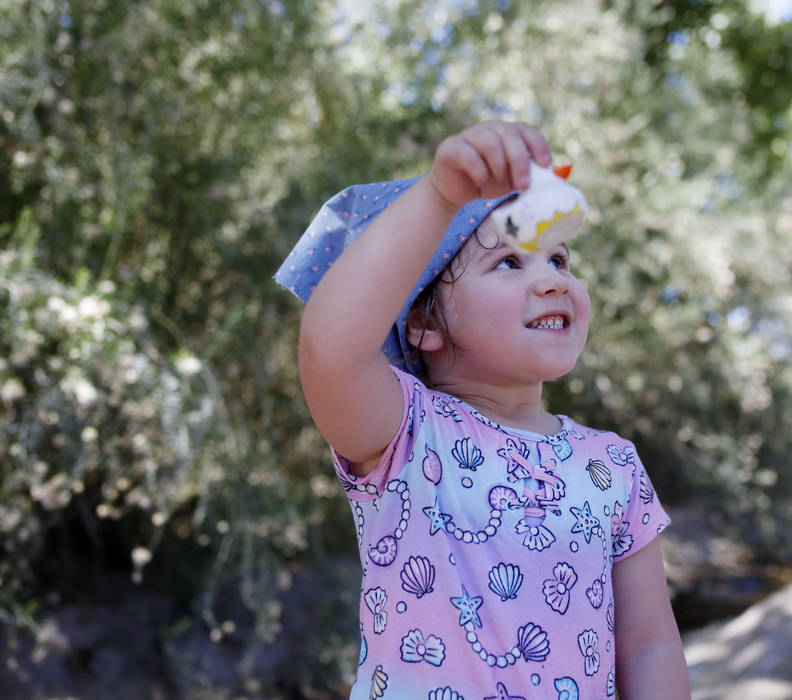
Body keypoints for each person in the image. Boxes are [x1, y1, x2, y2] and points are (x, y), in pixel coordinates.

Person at [276, 121, 689, 699]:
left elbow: (650, 647)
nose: (552, 280)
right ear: (422, 323)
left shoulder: (613, 465)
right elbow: (330, 346)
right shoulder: (405, 435)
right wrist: (442, 196)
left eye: (561, 260)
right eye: (510, 264)